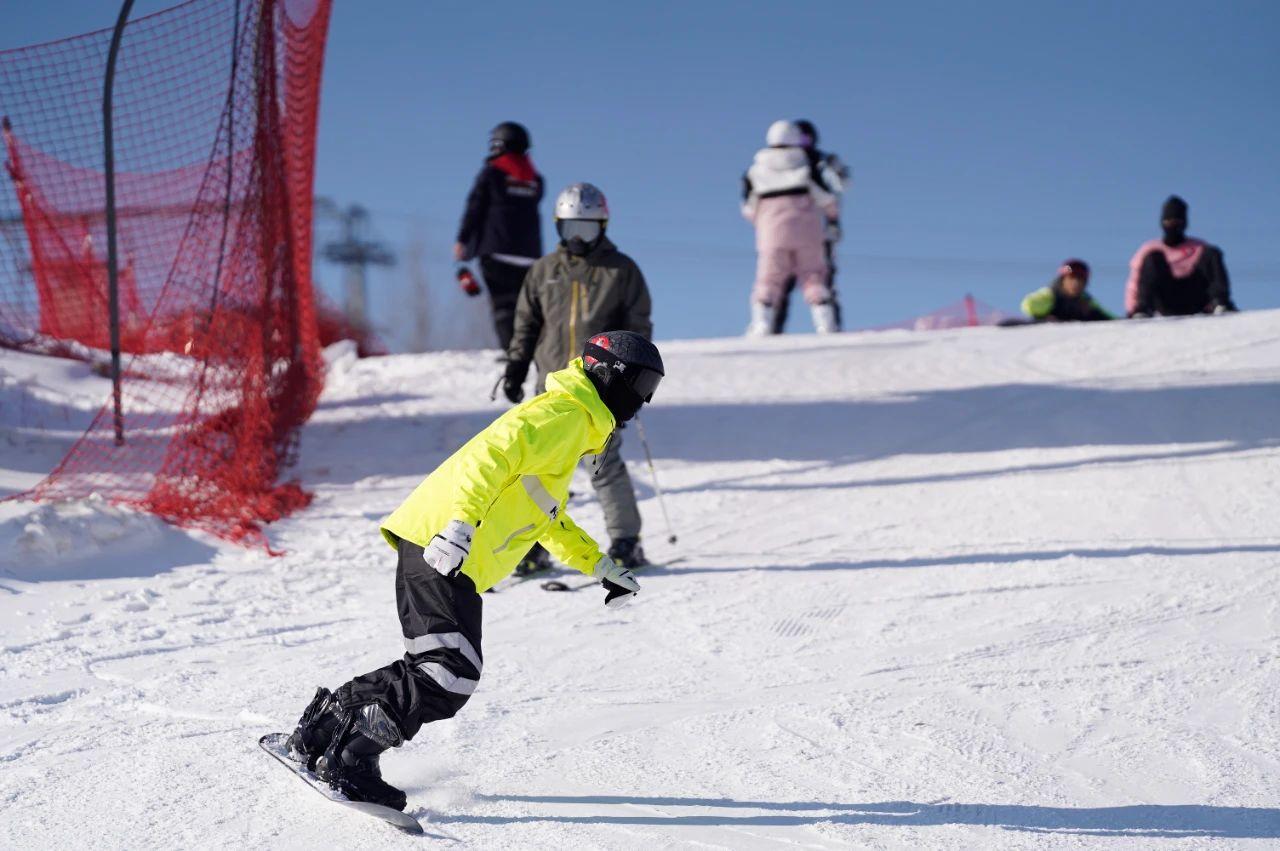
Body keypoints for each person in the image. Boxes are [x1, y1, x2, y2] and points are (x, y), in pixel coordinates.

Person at [283, 332, 665, 811]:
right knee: (449, 672)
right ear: (610, 374)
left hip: (445, 549)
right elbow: (490, 457)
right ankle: (350, 759)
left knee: (436, 667)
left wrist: (600, 564)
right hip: (442, 544)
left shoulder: (572, 425)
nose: (644, 399)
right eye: (642, 383)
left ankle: (319, 733)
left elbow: (545, 514)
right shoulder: (564, 416)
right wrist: (459, 525)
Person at [502, 183, 655, 571]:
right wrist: (516, 365)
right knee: (538, 470)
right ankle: (531, 544)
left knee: (602, 465)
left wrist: (631, 383)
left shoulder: (621, 271)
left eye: (586, 230)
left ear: (602, 226)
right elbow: (526, 323)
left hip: (600, 391)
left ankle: (625, 541)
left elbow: (637, 330)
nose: (578, 239)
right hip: (551, 389)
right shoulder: (544, 271)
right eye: (570, 229)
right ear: (558, 228)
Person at [741, 120, 839, 336]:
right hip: (808, 233)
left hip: (771, 234)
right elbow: (827, 200)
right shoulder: (808, 165)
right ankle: (825, 324)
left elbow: (748, 209)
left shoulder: (755, 171)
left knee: (768, 279)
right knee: (813, 276)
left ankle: (761, 325)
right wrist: (832, 220)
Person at [453, 121, 544, 351]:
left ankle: (511, 351)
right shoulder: (536, 181)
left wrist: (462, 239)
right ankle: (529, 349)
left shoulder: (491, 174)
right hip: (529, 255)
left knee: (503, 305)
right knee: (525, 306)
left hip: (496, 251)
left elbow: (475, 207)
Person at [771, 119, 851, 333]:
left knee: (822, 279)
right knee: (780, 281)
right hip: (789, 230)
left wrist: (838, 171)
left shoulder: (820, 162)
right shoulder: (782, 166)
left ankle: (831, 327)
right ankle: (773, 328)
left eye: (806, 139)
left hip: (819, 229)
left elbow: (837, 190)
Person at [1124, 195, 1237, 318]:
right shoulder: (1149, 249)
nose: (1172, 225)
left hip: (1195, 297)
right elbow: (1135, 282)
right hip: (1165, 300)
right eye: (1168, 221)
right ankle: (1142, 310)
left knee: (1212, 253)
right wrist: (1132, 309)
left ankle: (1219, 303)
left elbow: (1214, 273)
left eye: (1177, 222)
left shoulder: (1200, 247)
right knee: (1153, 258)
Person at [1020, 259, 1113, 322]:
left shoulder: (1086, 301)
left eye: (1080, 280)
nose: (1076, 283)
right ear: (1062, 280)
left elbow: (1110, 319)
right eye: (1071, 278)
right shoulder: (1050, 294)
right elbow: (1028, 305)